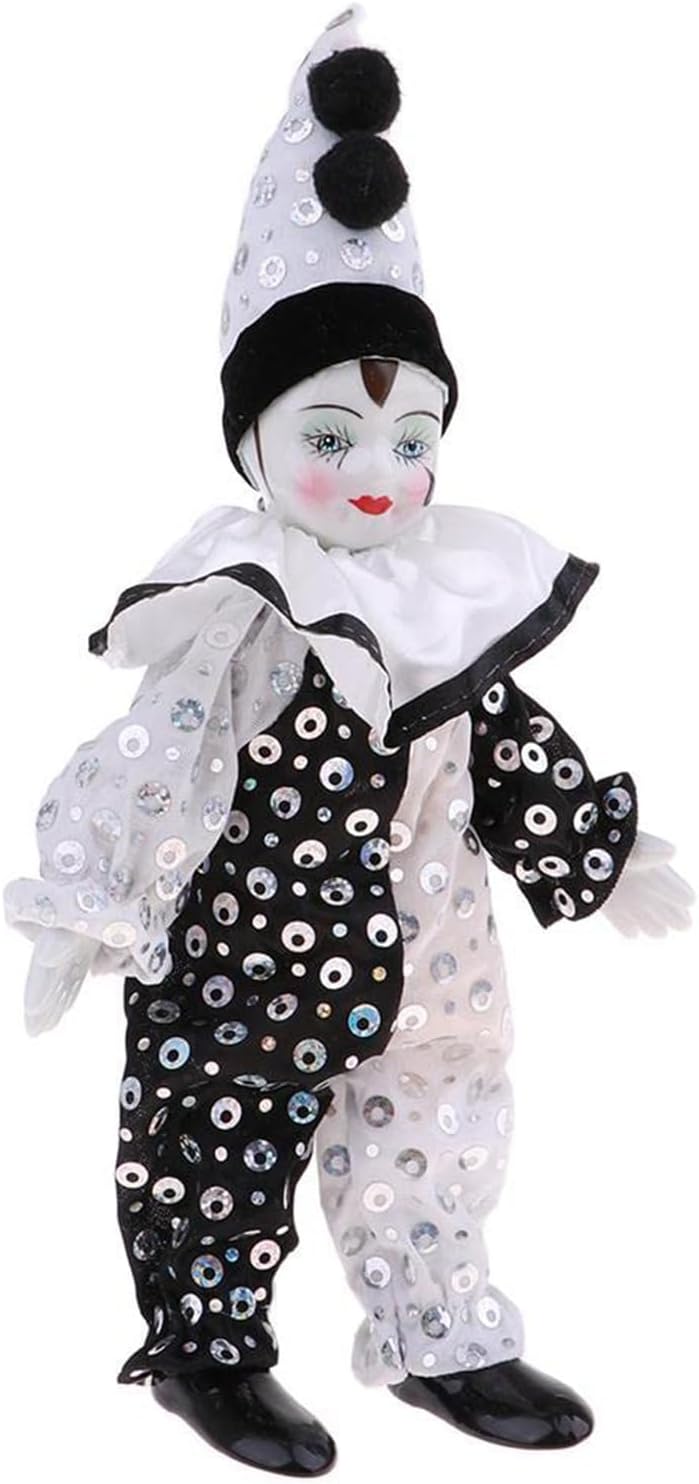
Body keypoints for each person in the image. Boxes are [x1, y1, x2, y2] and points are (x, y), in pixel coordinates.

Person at [5, 7, 693, 1475]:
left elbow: (505, 740)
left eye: (409, 438)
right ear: (256, 443)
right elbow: (156, 754)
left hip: (434, 950)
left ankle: (441, 1331)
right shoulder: (244, 610)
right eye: (331, 436)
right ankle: (208, 1347)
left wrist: (597, 845)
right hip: (246, 955)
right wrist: (86, 895)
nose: (378, 474)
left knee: (437, 1119)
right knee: (215, 1138)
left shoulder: (449, 599)